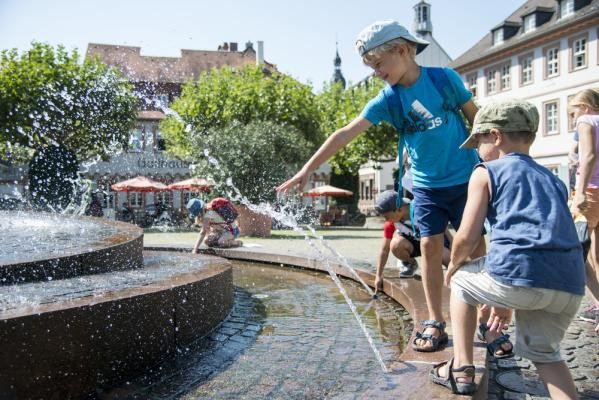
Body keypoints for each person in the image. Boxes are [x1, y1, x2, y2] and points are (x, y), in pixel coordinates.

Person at [277, 20, 486, 352]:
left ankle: (486, 316)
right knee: (430, 247)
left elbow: (476, 117)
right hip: (427, 187)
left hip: (466, 178)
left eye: (377, 64)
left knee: (475, 248)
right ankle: (435, 321)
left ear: (402, 51)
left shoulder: (443, 80)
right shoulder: (388, 100)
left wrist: (494, 160)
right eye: (370, 67)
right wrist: (307, 169)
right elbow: (345, 132)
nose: (375, 72)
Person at [431, 100, 585, 397]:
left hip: (518, 277)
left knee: (462, 280)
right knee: (547, 355)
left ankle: (462, 367)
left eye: (478, 141)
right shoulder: (554, 180)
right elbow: (539, 242)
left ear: (496, 136)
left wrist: (454, 264)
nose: (476, 149)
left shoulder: (485, 172)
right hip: (569, 285)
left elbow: (467, 236)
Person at [568, 88, 599, 334]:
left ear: (585, 107)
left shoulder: (585, 120)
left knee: (576, 249)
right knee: (595, 254)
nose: (572, 118)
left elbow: (588, 156)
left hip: (589, 192)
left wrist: (579, 193)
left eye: (573, 111)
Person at [373, 190, 451, 286]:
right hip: (415, 244)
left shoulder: (421, 210)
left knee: (451, 263)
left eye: (386, 216)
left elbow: (444, 229)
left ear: (399, 210)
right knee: (395, 244)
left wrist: (454, 248)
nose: (385, 220)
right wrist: (378, 275)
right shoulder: (391, 223)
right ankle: (410, 264)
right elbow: (384, 250)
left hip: (435, 243)